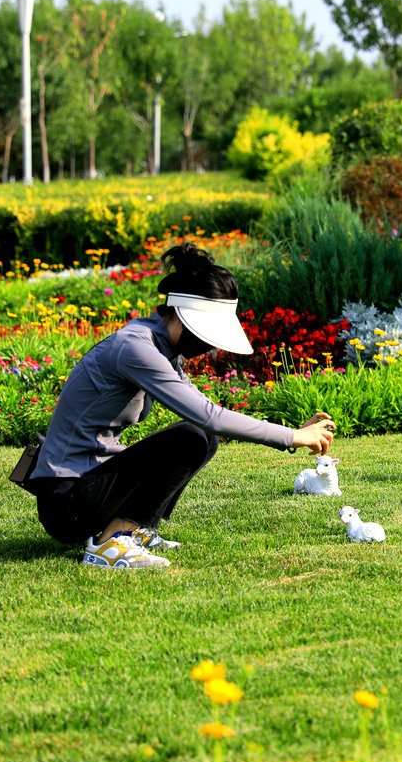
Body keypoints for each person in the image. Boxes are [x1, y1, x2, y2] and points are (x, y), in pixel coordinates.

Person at [27, 244, 335, 569]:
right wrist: (292, 437)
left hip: (89, 489)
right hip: (66, 501)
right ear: (179, 315)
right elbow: (209, 416)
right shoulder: (135, 348)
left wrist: (290, 432)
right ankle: (110, 542)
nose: (207, 345)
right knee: (190, 436)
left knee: (202, 437)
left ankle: (134, 529)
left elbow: (207, 414)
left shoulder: (160, 346)